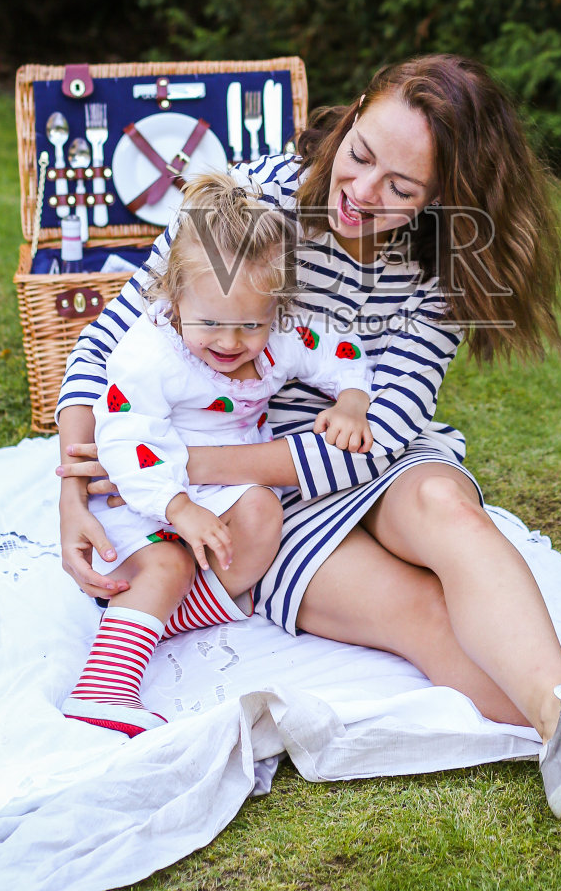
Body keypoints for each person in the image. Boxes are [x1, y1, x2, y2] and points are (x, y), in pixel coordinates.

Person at [57, 56, 561, 818]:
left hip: (372, 446)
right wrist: (74, 489)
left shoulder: (443, 262)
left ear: (443, 199)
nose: (362, 193)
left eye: (400, 189)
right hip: (263, 493)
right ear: (356, 112)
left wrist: (181, 459)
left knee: (446, 511)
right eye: (360, 155)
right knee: (421, 612)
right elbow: (111, 341)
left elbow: (386, 426)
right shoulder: (250, 207)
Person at [62, 171, 373, 738]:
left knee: (261, 516)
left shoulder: (278, 338)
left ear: (274, 310)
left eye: (249, 326)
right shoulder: (150, 355)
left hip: (218, 487)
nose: (230, 344)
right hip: (145, 483)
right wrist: (179, 509)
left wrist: (351, 400)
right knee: (169, 562)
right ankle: (101, 692)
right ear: (174, 296)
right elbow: (129, 443)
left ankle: (156, 615)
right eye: (211, 325)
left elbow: (338, 354)